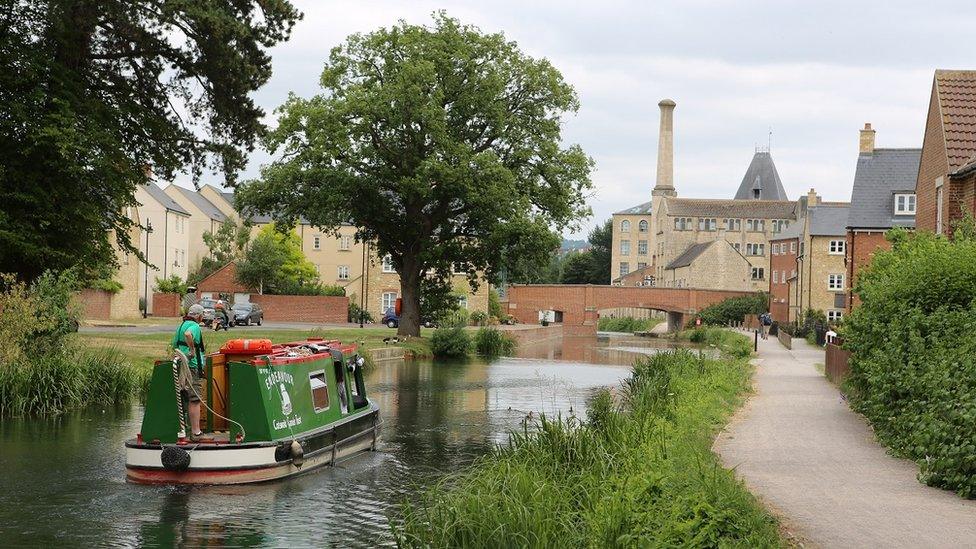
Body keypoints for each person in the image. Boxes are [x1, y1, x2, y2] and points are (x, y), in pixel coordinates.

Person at [173, 304, 206, 439]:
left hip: (182, 366)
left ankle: (184, 429)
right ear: (199, 316)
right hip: (191, 367)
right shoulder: (195, 326)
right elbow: (188, 335)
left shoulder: (181, 326)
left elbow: (175, 345)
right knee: (195, 400)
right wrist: (192, 350)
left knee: (183, 399)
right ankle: (196, 432)